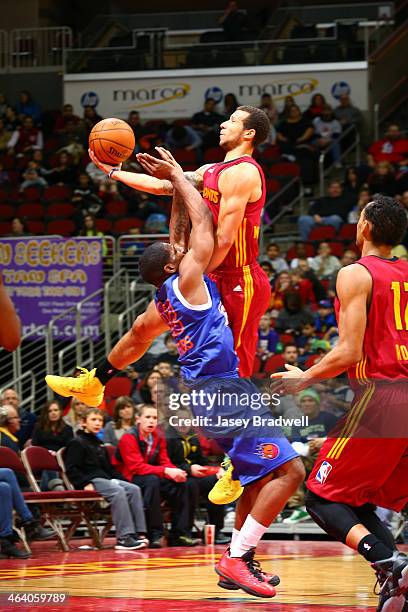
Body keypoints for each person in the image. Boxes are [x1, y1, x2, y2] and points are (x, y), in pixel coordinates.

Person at [46, 148, 304, 598]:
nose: (181, 247)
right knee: (290, 473)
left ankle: (239, 558)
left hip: (211, 391)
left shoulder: (164, 302)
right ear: (173, 266)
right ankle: (236, 557)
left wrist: (100, 376)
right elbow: (203, 223)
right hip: (219, 391)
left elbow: (131, 341)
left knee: (260, 477)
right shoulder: (189, 281)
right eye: (175, 251)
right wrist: (179, 181)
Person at [273, 194, 408, 611]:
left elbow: (349, 351)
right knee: (357, 497)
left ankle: (390, 563)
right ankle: (398, 582)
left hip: (384, 395)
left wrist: (305, 377)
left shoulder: (355, 273)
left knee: (321, 495)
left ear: (364, 226)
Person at [88, 105, 272, 377]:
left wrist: (193, 273)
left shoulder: (243, 173)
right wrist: (114, 172)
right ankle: (95, 381)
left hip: (238, 280)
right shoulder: (211, 169)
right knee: (143, 326)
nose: (223, 124)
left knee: (233, 362)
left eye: (232, 121)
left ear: (249, 133)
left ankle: (237, 415)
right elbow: (164, 186)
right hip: (207, 268)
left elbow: (223, 239)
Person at [114, 404, 198, 548]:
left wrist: (177, 472)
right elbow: (136, 467)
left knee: (184, 483)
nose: (151, 421)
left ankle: (180, 533)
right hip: (128, 478)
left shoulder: (158, 437)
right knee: (152, 482)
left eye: (154, 418)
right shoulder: (128, 438)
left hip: (151, 473)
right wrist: (166, 471)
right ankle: (155, 534)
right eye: (147, 417)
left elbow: (165, 461)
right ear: (138, 419)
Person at [64, 407, 148, 550]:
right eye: (93, 420)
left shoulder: (98, 443)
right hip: (91, 480)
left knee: (133, 489)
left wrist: (125, 481)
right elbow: (71, 469)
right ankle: (124, 537)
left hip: (105, 479)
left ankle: (138, 533)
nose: (98, 423)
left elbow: (109, 469)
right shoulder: (76, 442)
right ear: (83, 423)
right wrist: (85, 483)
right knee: (117, 491)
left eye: (100, 420)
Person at [165, 408, 229, 545]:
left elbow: (202, 460)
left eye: (186, 420)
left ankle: (215, 530)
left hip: (192, 476)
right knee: (189, 484)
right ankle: (181, 533)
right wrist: (188, 469)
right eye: (179, 420)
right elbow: (167, 463)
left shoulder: (193, 437)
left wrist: (216, 470)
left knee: (218, 482)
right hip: (173, 478)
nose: (183, 423)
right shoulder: (167, 438)